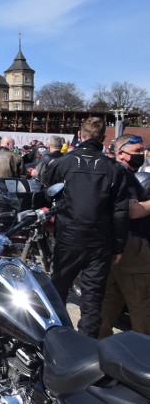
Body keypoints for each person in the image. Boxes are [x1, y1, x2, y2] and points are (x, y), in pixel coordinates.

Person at [42, 117, 130, 338]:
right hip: (99, 241)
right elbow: (120, 212)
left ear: (80, 135)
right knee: (92, 298)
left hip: (69, 237)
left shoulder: (63, 163)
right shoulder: (114, 169)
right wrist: (119, 246)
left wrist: (50, 224)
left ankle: (57, 340)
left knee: (58, 291)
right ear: (102, 138)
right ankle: (85, 347)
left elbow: (45, 195)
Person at [99, 134, 150, 337]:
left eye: (143, 150)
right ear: (121, 154)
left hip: (115, 243)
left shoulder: (111, 172)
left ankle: (97, 343)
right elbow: (133, 210)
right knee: (142, 302)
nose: (142, 155)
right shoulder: (123, 175)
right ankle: (143, 354)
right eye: (137, 151)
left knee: (110, 298)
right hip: (131, 246)